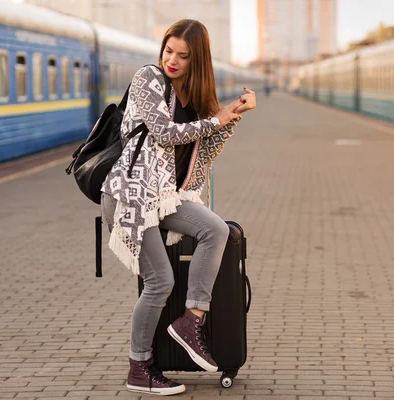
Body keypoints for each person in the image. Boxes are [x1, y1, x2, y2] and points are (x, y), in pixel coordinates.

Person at [100, 19, 256, 396]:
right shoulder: (148, 78)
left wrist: (233, 114)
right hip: (131, 197)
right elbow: (164, 134)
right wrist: (214, 119)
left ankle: (191, 320)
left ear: (197, 61)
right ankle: (139, 367)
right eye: (168, 50)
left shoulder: (193, 98)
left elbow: (203, 150)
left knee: (216, 229)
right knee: (160, 282)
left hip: (165, 197)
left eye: (182, 56)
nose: (172, 60)